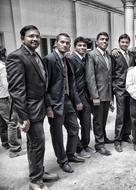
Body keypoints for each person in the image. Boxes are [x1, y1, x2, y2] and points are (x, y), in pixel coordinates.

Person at [6, 25, 58, 190]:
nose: (35, 39)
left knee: (36, 144)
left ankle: (39, 172)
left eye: (37, 36)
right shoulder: (16, 57)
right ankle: (35, 181)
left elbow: (42, 85)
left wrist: (47, 105)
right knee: (37, 143)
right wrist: (24, 117)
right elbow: (16, 89)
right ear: (22, 38)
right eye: (31, 36)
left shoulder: (36, 56)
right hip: (29, 110)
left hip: (39, 107)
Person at [44, 33, 85, 174]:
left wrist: (77, 100)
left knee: (74, 128)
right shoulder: (49, 59)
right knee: (57, 135)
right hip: (55, 102)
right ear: (56, 43)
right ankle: (62, 161)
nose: (65, 45)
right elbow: (45, 85)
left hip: (67, 100)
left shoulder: (67, 59)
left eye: (67, 43)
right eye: (62, 42)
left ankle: (71, 154)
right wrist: (48, 106)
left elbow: (71, 82)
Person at [85, 32, 113, 156]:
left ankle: (104, 137)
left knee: (104, 118)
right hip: (98, 94)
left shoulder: (108, 54)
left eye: (106, 39)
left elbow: (108, 77)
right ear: (96, 42)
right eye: (102, 39)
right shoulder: (91, 55)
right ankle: (99, 144)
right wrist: (94, 96)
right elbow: (90, 77)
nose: (104, 41)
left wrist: (111, 97)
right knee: (97, 120)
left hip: (107, 93)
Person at [66, 36, 94, 158]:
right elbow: (71, 82)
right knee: (74, 125)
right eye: (79, 45)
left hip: (85, 94)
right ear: (75, 47)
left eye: (84, 46)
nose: (82, 47)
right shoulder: (71, 58)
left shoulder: (86, 57)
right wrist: (77, 100)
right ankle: (78, 148)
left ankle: (85, 144)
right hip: (74, 95)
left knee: (86, 122)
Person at [111, 34, 135, 152]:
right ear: (119, 43)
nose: (124, 44)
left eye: (126, 42)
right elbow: (112, 73)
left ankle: (126, 135)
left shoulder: (132, 55)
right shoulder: (114, 55)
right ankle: (117, 140)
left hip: (130, 89)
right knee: (120, 115)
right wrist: (114, 87)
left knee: (129, 114)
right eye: (122, 42)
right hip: (119, 89)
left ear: (129, 43)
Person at [0, 46, 22, 158]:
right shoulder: (2, 67)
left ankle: (5, 143)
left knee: (2, 123)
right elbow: (7, 84)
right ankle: (15, 149)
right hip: (4, 97)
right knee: (12, 122)